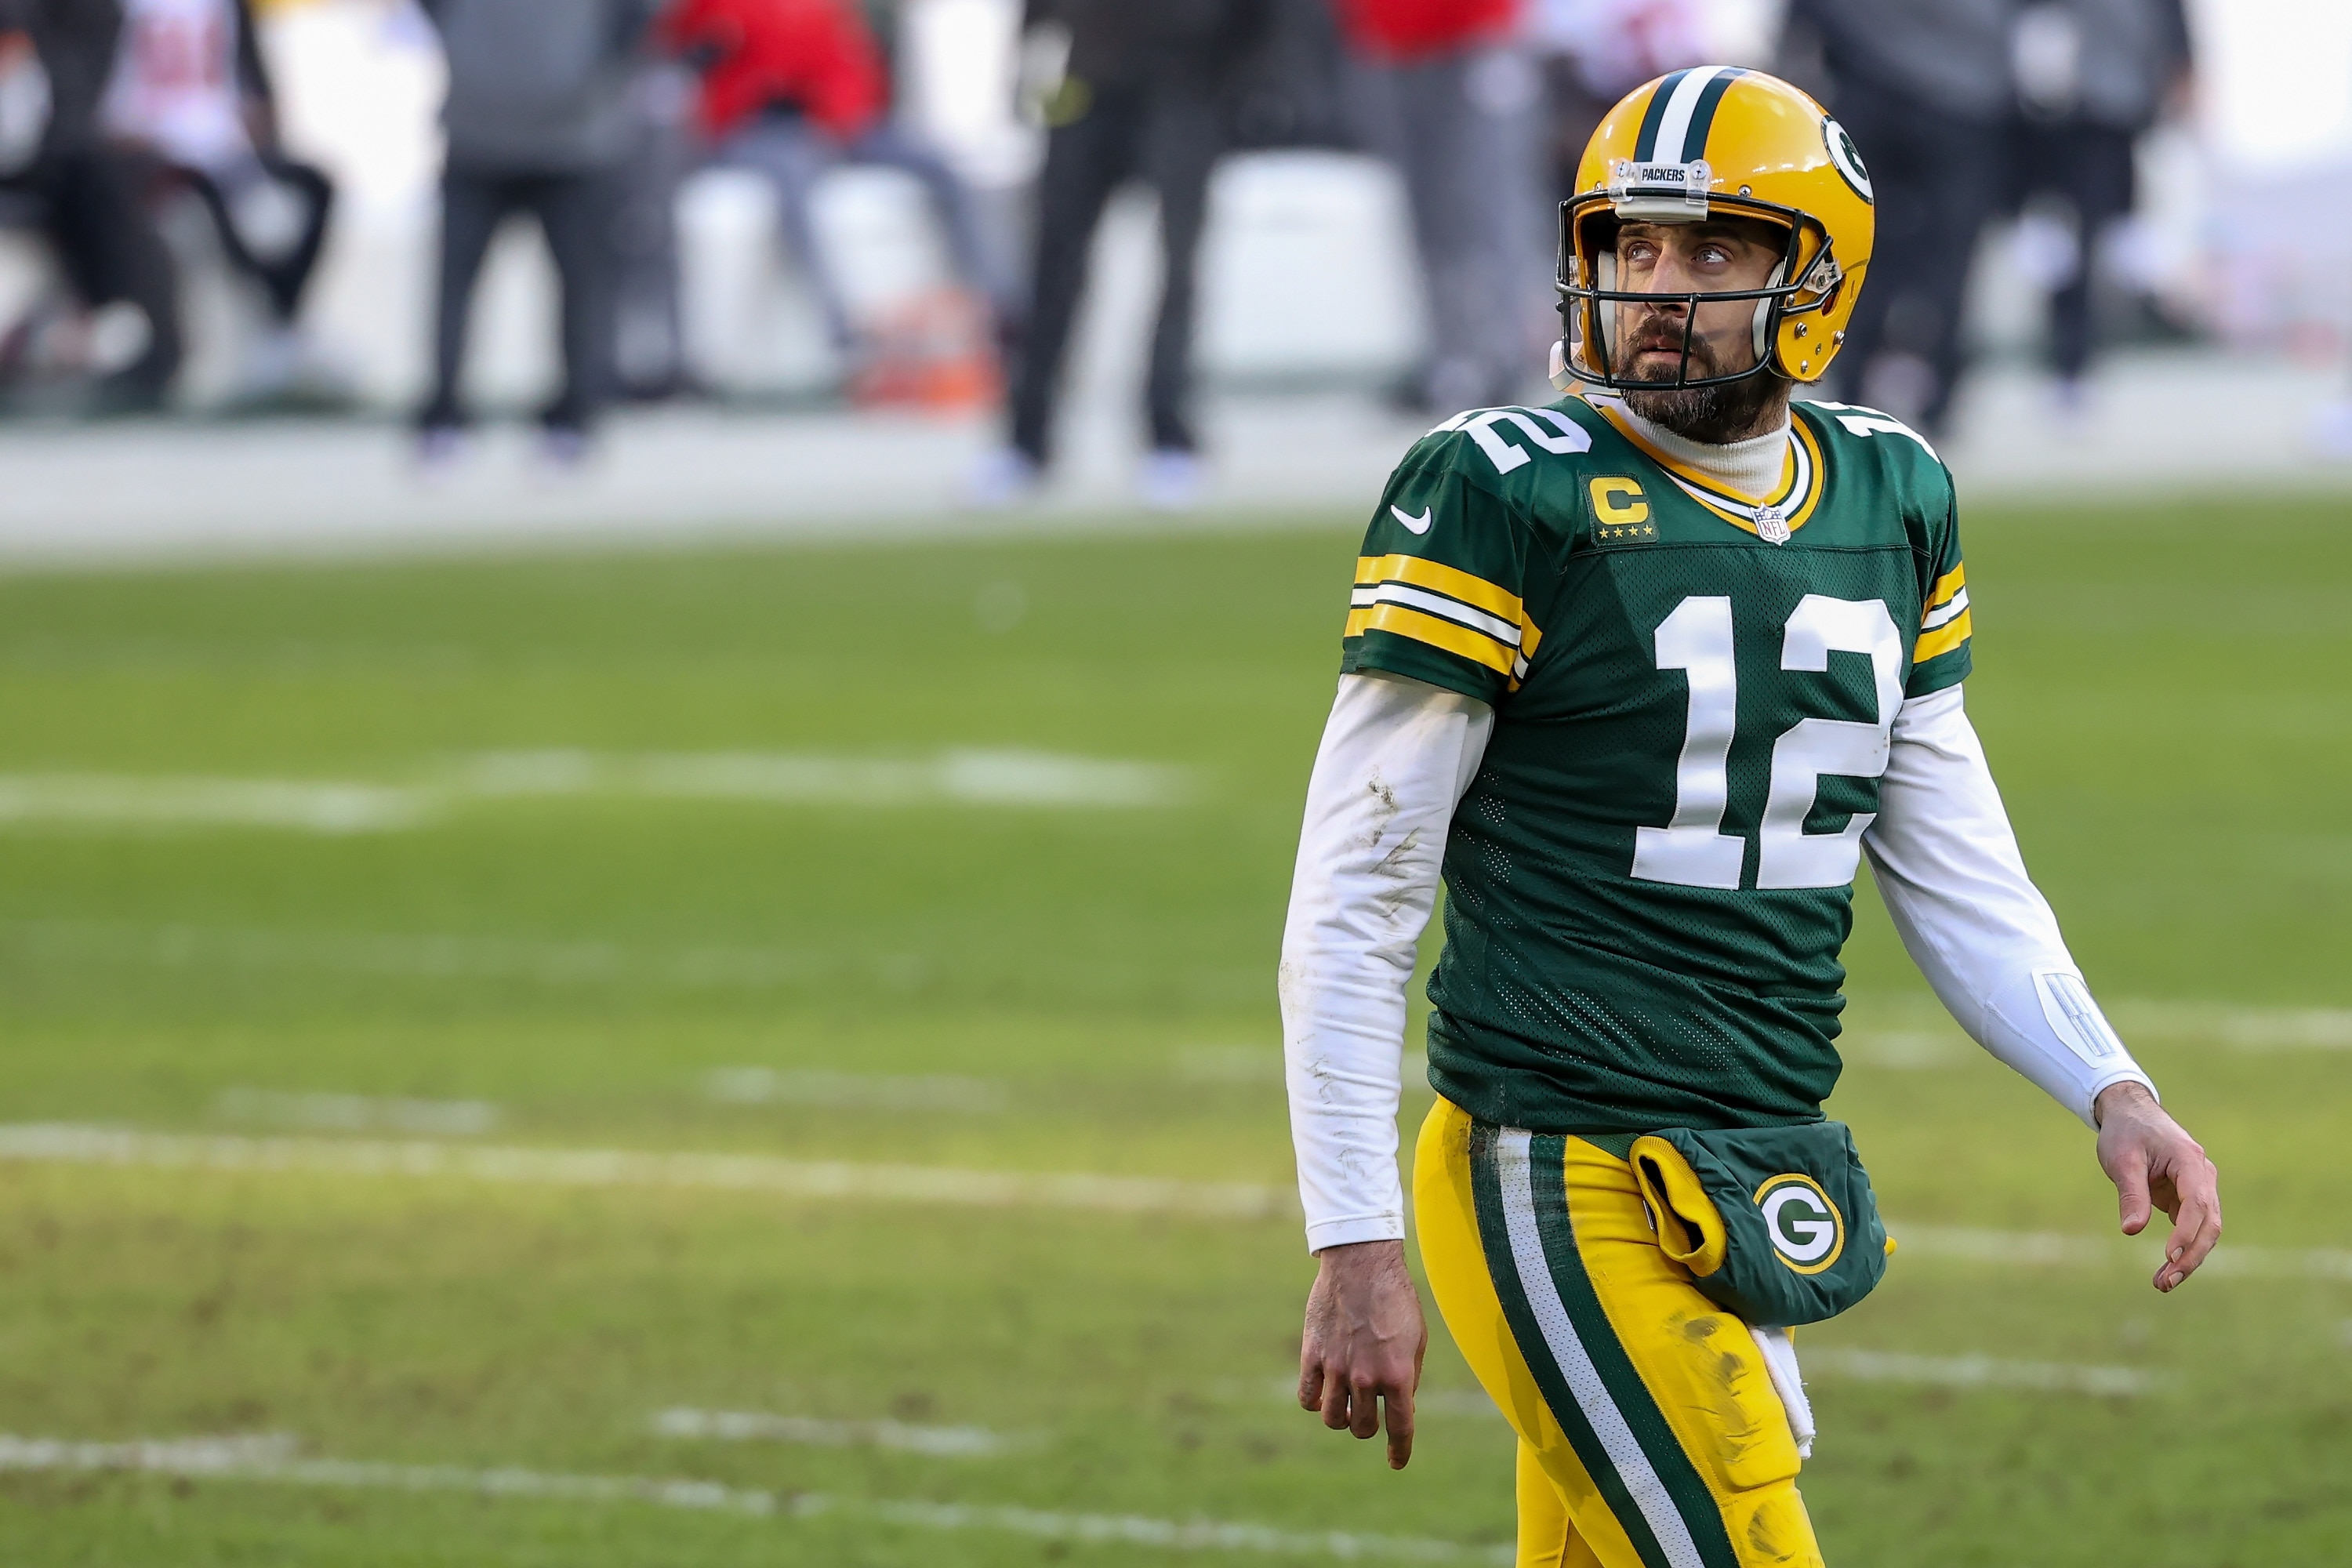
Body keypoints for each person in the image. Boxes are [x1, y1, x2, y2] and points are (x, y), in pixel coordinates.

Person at [1279, 67, 2221, 1566]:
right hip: (1552, 1154)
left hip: (1750, 1150)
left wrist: (2108, 1081)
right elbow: (1360, 885)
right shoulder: (1500, 490)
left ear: (1818, 277)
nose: (1657, 290)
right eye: (1629, 249)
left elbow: (1949, 845)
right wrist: (1352, 1231)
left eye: (1712, 253)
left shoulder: (1890, 491)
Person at [967, 0, 1272, 511]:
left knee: (1177, 263)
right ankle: (1026, 440)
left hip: (1185, 81)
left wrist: (1250, 84)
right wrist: (1027, 76)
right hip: (1084, 78)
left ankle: (1168, 434)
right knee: (1053, 260)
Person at [659, 0, 1014, 381]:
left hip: (840, 123)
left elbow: (852, 67)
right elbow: (678, 57)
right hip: (760, 129)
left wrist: (836, 122)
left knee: (940, 165)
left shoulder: (827, 8)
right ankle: (840, 323)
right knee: (794, 180)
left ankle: (1003, 301)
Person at [416, 0, 654, 463]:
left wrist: (592, 73)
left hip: (574, 139)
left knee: (581, 286)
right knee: (455, 283)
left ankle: (574, 415)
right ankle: (444, 413)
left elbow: (634, 17)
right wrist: (469, 56)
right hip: (476, 130)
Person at [1781, 0, 2013, 437]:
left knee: (1859, 245)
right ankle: (1937, 396)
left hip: (1876, 82)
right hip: (1960, 95)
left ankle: (1849, 387)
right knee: (1948, 254)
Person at [98, 0, 342, 407]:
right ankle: (221, 343)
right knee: (211, 204)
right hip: (155, 148)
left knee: (313, 186)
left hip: (223, 145)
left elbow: (253, 81)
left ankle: (282, 321)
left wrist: (261, 121)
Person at [1332, 0, 1548, 419]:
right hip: (1388, 44)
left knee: (1488, 206)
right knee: (1427, 219)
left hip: (1475, 37)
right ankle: (1449, 360)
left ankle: (1504, 357)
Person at [2003, 0, 2193, 406]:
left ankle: (2084, 360)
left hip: (2116, 115)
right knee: (2061, 247)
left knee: (2102, 243)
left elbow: (2171, 24)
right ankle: (2069, 364)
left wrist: (2178, 77)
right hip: (2050, 117)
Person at [0, 0, 183, 410]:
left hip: (49, 159)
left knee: (108, 195)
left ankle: (132, 351)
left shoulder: (92, 16)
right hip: (42, 157)